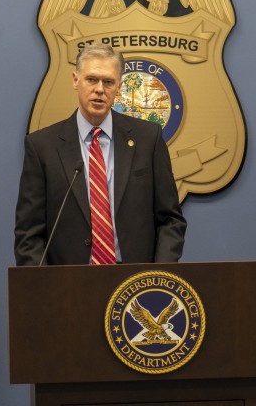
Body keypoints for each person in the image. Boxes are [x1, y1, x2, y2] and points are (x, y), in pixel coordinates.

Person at [14, 44, 186, 265]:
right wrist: (48, 290)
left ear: (119, 86)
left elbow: (171, 220)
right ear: (76, 80)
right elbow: (28, 234)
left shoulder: (147, 139)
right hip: (67, 285)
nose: (99, 89)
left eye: (108, 82)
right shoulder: (42, 147)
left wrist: (158, 277)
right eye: (91, 80)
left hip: (136, 284)